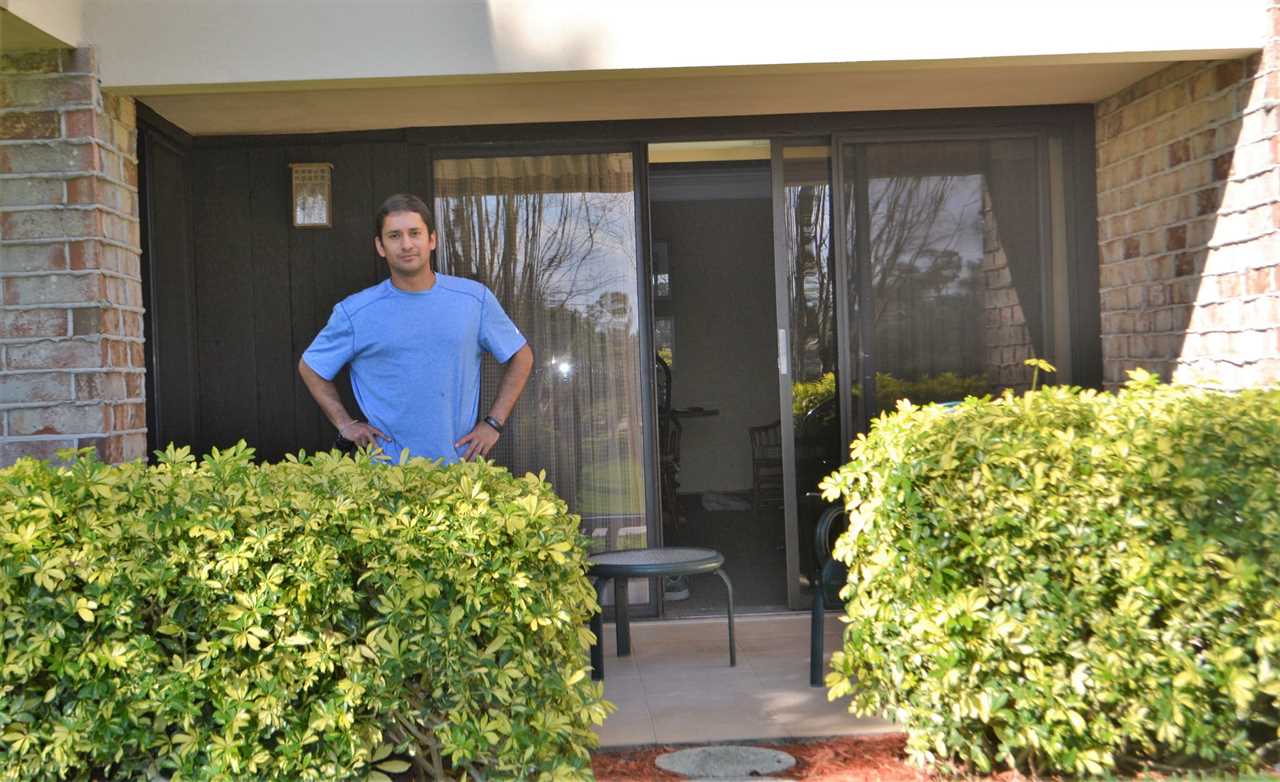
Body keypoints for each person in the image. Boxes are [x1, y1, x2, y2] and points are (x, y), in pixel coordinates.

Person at [297, 193, 533, 462]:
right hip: (384, 477)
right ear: (380, 246)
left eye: (414, 233)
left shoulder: (473, 300)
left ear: (431, 239)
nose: (406, 244)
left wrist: (493, 424)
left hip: (458, 474)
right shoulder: (355, 313)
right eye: (395, 236)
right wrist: (344, 423)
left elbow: (521, 356)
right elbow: (311, 366)